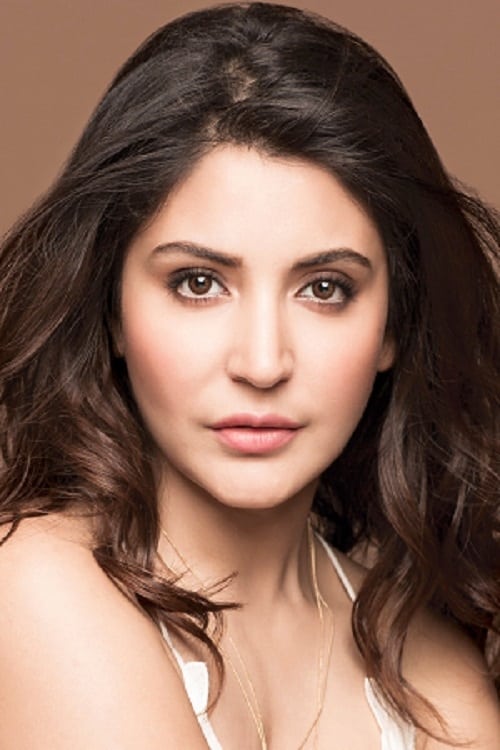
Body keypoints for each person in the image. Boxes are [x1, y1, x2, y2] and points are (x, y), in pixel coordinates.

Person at [0, 2, 498, 748]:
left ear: (395, 324)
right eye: (198, 283)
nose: (262, 364)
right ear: (112, 311)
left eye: (324, 288)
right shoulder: (34, 588)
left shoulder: (434, 668)